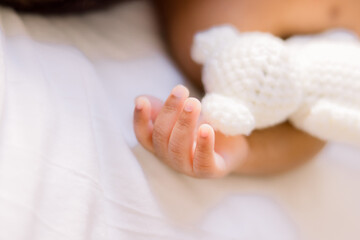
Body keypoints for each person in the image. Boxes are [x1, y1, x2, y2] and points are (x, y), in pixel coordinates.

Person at [133, 0, 360, 178]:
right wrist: (242, 149)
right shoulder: (212, 30)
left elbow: (314, 117)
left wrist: (244, 151)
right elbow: (312, 120)